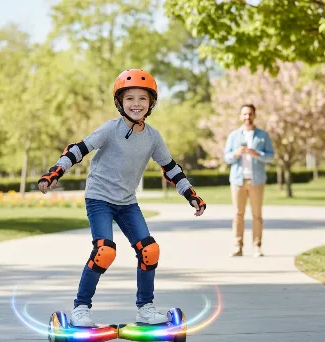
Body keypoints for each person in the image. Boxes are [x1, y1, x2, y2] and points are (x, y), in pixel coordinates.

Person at [38, 69, 206, 327]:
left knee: (149, 250)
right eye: (130, 98)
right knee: (104, 251)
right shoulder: (110, 129)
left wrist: (190, 195)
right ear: (120, 102)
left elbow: (171, 168)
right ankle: (80, 308)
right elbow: (78, 150)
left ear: (151, 103)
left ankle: (145, 308)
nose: (136, 104)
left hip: (127, 202)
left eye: (142, 98)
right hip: (99, 198)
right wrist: (54, 173)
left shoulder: (153, 137)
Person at [224, 104, 274, 258]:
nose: (247, 117)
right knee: (238, 214)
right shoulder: (233, 136)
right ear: (241, 116)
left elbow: (270, 156)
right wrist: (236, 154)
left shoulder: (262, 136)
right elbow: (226, 157)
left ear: (254, 115)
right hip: (238, 181)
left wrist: (256, 153)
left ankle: (257, 246)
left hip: (257, 180)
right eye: (244, 114)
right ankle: (238, 246)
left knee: (257, 215)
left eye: (250, 114)